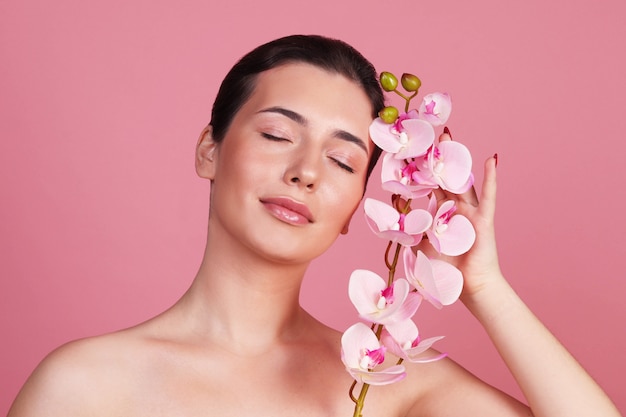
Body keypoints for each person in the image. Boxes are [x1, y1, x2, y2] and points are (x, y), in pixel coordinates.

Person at [8, 34, 621, 417]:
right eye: (277, 135)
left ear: (357, 205)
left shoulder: (386, 381)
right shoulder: (84, 388)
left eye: (342, 159)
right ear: (209, 151)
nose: (305, 172)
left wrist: (484, 288)